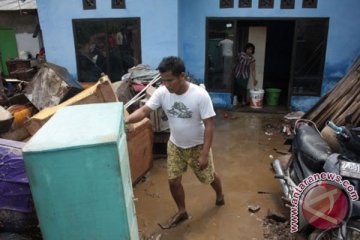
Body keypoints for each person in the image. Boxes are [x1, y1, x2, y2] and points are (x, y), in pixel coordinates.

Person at [125, 56, 224, 229]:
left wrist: (204, 154)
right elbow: (144, 110)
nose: (166, 85)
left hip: (198, 146)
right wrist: (124, 120)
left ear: (182, 76)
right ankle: (182, 210)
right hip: (175, 145)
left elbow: (209, 125)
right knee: (173, 181)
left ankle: (220, 194)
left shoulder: (200, 95)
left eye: (170, 80)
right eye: (163, 81)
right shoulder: (162, 92)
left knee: (209, 177)